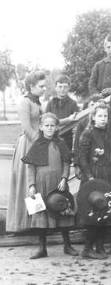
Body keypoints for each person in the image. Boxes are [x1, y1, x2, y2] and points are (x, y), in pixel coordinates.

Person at [21, 113, 77, 259]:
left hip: (59, 184)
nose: (50, 128)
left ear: (57, 127)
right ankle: (42, 248)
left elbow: (66, 162)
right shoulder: (37, 144)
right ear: (41, 127)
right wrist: (31, 185)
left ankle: (68, 245)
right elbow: (31, 167)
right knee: (41, 216)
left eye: (52, 125)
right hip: (41, 184)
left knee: (63, 212)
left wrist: (64, 178)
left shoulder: (61, 143)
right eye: (47, 125)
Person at [78, 102, 111, 258]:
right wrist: (89, 177)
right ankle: (87, 249)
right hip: (93, 178)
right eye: (100, 116)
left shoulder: (109, 134)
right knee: (93, 213)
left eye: (105, 116)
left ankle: (100, 246)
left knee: (104, 212)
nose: (103, 119)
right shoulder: (88, 134)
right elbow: (82, 158)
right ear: (93, 117)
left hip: (107, 177)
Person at [7, 71, 45, 233]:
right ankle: (23, 224)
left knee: (36, 183)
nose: (44, 89)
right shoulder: (24, 102)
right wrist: (42, 143)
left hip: (37, 143)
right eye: (41, 86)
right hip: (28, 146)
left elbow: (44, 123)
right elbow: (27, 128)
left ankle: (35, 223)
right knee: (27, 183)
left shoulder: (37, 102)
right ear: (31, 86)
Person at [45, 75, 79, 150]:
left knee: (66, 161)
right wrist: (67, 120)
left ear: (69, 88)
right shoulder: (50, 103)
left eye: (65, 87)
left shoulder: (73, 104)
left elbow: (76, 123)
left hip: (67, 140)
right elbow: (46, 122)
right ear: (56, 88)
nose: (62, 89)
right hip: (52, 139)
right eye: (60, 86)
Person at [73, 95, 103, 179]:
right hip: (86, 162)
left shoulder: (106, 123)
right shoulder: (83, 123)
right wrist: (76, 164)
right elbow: (76, 145)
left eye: (98, 105)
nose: (95, 107)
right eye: (92, 105)